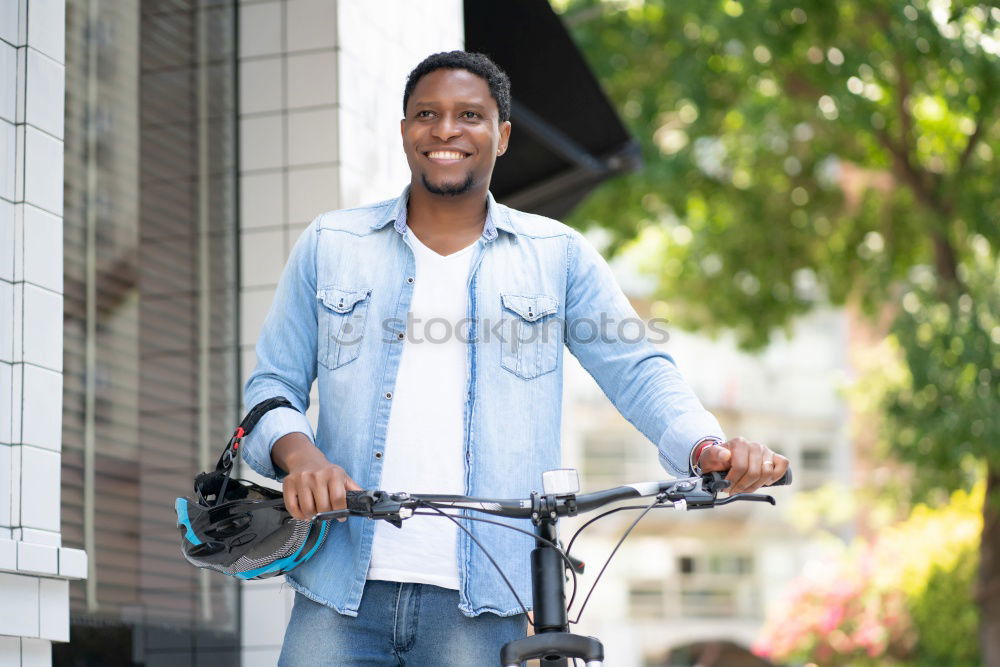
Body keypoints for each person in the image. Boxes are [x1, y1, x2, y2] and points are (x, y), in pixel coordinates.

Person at [242, 50, 789, 666]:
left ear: (501, 136)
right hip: (337, 590)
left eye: (469, 115)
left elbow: (637, 371)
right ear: (404, 132)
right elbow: (271, 385)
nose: (446, 130)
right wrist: (304, 458)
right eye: (427, 113)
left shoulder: (557, 256)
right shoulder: (331, 244)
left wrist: (704, 449)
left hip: (484, 600)